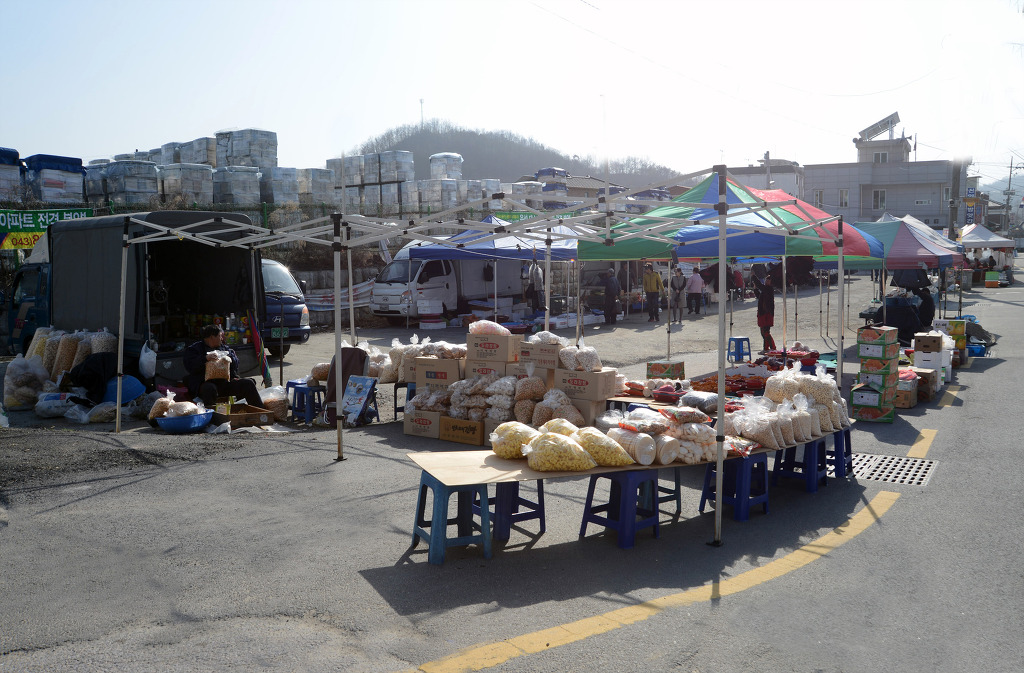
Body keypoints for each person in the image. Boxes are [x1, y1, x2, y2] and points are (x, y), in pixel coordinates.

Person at [183, 324, 263, 410]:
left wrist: (229, 359)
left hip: (224, 383)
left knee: (248, 383)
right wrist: (205, 358)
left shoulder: (224, 348)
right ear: (211, 337)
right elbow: (190, 366)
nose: (221, 339)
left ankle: (260, 411)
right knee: (209, 389)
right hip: (204, 384)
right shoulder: (194, 349)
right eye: (219, 336)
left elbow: (235, 366)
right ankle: (212, 415)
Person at [752, 273, 777, 352]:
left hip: (767, 313)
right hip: (763, 313)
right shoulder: (766, 289)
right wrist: (755, 289)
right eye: (766, 280)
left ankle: (772, 347)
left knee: (765, 332)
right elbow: (759, 296)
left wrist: (753, 276)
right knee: (763, 332)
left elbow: (760, 285)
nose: (766, 281)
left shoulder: (769, 289)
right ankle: (766, 348)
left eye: (768, 280)